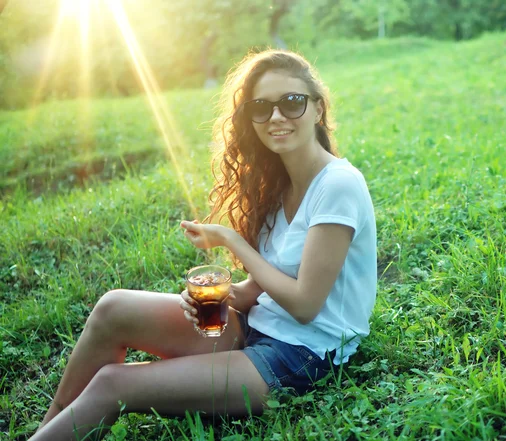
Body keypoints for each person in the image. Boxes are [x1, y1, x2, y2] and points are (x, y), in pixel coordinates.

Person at [30, 49, 377, 441]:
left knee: (113, 384)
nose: (277, 116)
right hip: (254, 328)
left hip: (302, 355)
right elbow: (260, 289)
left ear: (318, 109)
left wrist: (230, 240)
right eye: (261, 107)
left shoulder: (338, 186)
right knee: (113, 308)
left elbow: (303, 305)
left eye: (292, 102)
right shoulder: (279, 186)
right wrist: (217, 300)